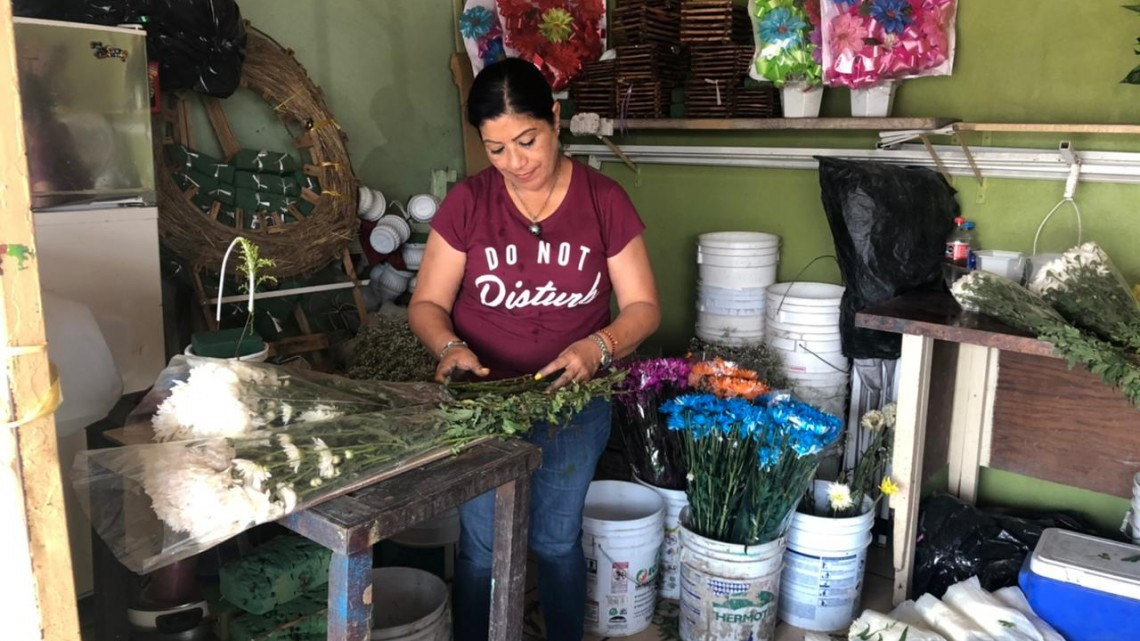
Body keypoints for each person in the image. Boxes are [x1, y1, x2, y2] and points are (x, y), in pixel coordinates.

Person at [408, 58, 660, 641]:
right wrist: (449, 348)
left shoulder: (603, 200)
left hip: (572, 401)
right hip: (485, 404)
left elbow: (644, 308)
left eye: (527, 141)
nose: (515, 163)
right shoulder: (469, 204)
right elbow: (427, 304)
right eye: (496, 149)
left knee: (554, 539)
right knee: (483, 544)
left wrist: (598, 346)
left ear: (555, 117)